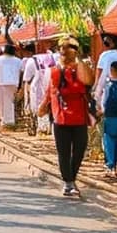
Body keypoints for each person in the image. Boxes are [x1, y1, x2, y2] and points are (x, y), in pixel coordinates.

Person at [36, 37, 95, 199]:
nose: (63, 50)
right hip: (61, 117)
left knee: (79, 151)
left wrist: (80, 59)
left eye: (68, 47)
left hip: (80, 117)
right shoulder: (54, 71)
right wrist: (43, 106)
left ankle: (71, 179)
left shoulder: (82, 68)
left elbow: (89, 81)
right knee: (63, 152)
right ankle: (68, 183)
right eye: (61, 47)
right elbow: (50, 91)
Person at [0, 45, 24, 130]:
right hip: (14, 84)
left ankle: (7, 123)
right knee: (10, 102)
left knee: (2, 103)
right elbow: (22, 72)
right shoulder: (18, 61)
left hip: (3, 84)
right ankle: (7, 122)